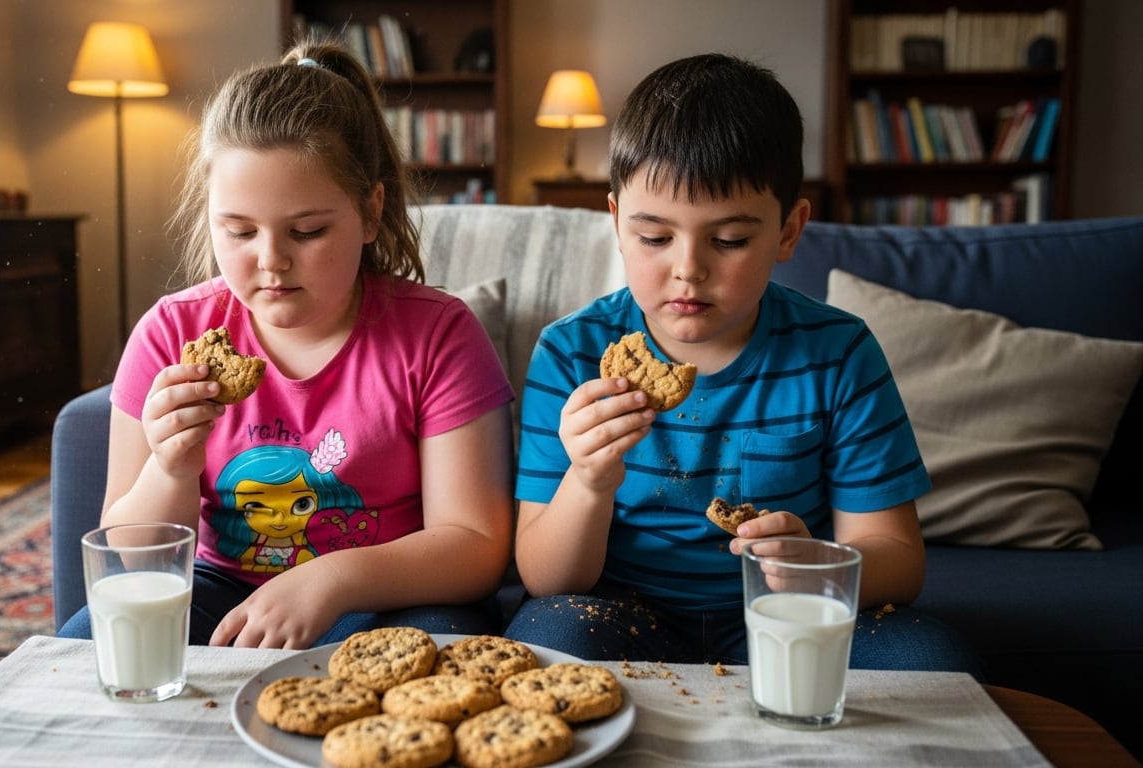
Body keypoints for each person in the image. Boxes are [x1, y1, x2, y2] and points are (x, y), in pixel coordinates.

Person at [503, 53, 981, 676]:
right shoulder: (572, 353)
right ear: (617, 222)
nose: (688, 268)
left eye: (729, 240)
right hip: (621, 612)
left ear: (789, 229)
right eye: (654, 238)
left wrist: (819, 562)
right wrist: (589, 480)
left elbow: (898, 557)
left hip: (792, 611)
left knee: (929, 658)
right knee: (549, 641)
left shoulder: (837, 352)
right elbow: (546, 577)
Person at [58, 40, 515, 649]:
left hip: (385, 597)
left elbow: (475, 546)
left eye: (307, 230)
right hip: (216, 591)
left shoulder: (438, 336)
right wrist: (171, 464)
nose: (271, 261)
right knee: (95, 637)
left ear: (371, 211)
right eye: (240, 230)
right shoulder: (171, 334)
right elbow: (132, 555)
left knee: (442, 651)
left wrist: (331, 580)